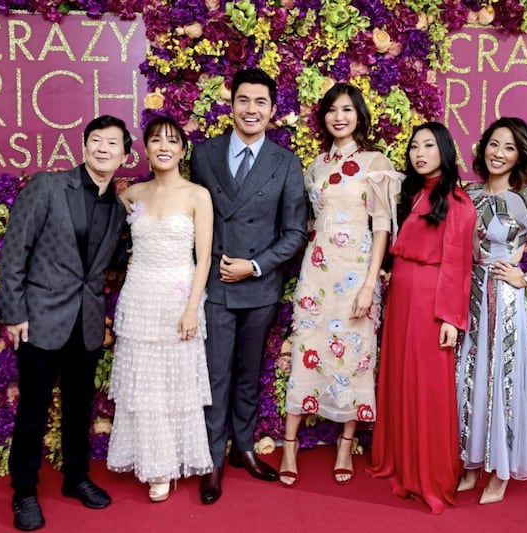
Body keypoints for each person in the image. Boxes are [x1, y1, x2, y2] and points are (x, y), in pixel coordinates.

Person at [0, 115, 132, 531]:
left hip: (87, 322)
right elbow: (14, 251)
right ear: (85, 146)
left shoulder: (117, 207)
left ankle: (76, 478)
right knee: (34, 410)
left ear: (126, 155)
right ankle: (23, 492)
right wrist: (14, 311)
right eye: (96, 140)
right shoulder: (48, 186)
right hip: (40, 318)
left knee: (78, 408)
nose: (103, 148)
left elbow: (110, 261)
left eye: (113, 143)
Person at [189, 68, 308, 504]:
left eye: (260, 102)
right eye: (244, 100)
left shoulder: (285, 162)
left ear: (273, 110)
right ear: (231, 104)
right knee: (216, 374)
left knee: (247, 377)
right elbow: (191, 218)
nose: (251, 109)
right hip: (217, 285)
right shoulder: (203, 155)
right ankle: (212, 458)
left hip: (259, 287)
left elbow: (295, 232)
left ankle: (242, 448)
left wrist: (255, 266)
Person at [279, 83, 403, 487]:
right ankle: (289, 444)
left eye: (347, 109)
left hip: (357, 273)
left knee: (355, 354)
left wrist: (369, 284)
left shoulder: (375, 163)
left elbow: (382, 226)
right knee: (306, 349)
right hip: (317, 272)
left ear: (359, 114)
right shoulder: (314, 166)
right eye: (332, 110)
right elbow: (311, 223)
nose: (339, 117)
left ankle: (346, 443)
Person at [456, 117, 527, 504]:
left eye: (509, 148)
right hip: (469, 295)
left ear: (519, 156)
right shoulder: (467, 193)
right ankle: (471, 463)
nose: (498, 153)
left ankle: (500, 472)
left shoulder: (525, 198)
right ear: (482, 146)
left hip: (504, 299)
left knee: (501, 377)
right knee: (468, 374)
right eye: (493, 144)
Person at [367, 122, 476, 514]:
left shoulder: (457, 201)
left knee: (427, 384)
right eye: (414, 146)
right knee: (400, 376)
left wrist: (450, 318)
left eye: (428, 145)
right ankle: (399, 460)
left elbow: (458, 265)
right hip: (402, 296)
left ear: (444, 151)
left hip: (432, 301)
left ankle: (429, 475)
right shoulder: (412, 193)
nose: (419, 153)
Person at [106, 116, 214, 502]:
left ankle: (168, 464)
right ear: (146, 150)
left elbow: (203, 260)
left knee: (175, 386)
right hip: (138, 297)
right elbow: (107, 236)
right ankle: (152, 463)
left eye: (172, 141)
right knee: (145, 387)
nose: (163, 147)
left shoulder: (197, 195)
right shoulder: (132, 194)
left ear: (183, 150)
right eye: (155, 141)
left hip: (178, 296)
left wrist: (190, 309)